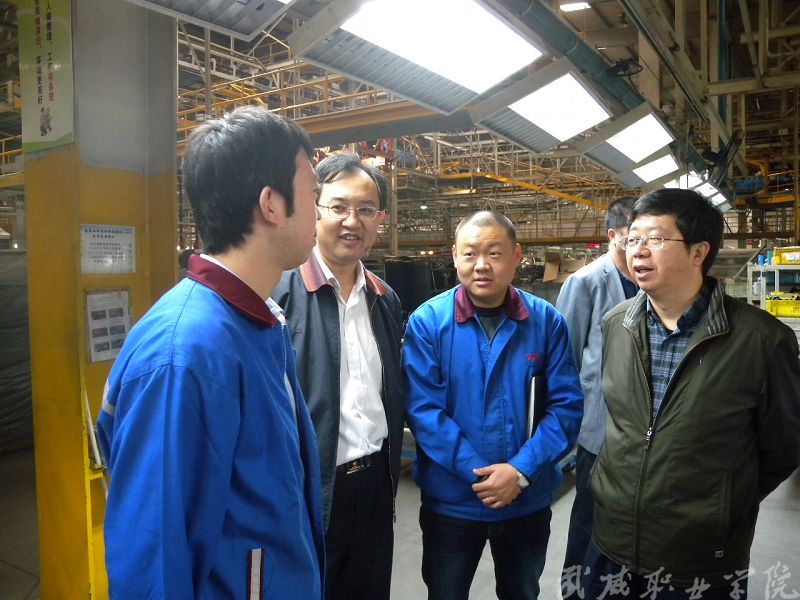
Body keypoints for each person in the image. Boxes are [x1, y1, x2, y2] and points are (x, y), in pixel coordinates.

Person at [96, 106, 325, 599]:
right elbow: (152, 559)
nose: (319, 212)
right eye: (313, 194)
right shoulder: (187, 353)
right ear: (271, 204)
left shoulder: (256, 323)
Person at [583, 189, 800, 600]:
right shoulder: (616, 325)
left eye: (655, 239)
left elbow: (783, 449)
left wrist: (721, 503)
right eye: (633, 238)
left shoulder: (762, 341)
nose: (638, 250)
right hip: (611, 542)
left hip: (699, 558)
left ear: (699, 252)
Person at [403, 210, 584, 600]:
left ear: (516, 256)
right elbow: (424, 412)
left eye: (494, 253)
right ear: (455, 256)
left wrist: (519, 472)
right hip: (452, 505)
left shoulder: (546, 322)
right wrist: (484, 477)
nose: (481, 265)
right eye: (470, 254)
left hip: (526, 501)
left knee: (522, 591)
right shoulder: (428, 323)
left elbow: (566, 408)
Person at [273, 153, 403, 600]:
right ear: (314, 209)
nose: (352, 221)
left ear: (380, 219)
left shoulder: (384, 299)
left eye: (366, 209)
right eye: (338, 207)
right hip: (310, 489)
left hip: (376, 485)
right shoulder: (279, 295)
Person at [556, 197, 637, 594]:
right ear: (612, 236)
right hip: (597, 428)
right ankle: (574, 591)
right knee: (587, 520)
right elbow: (565, 358)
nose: (640, 247)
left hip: (638, 431)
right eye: (632, 238)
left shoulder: (649, 281)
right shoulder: (585, 281)